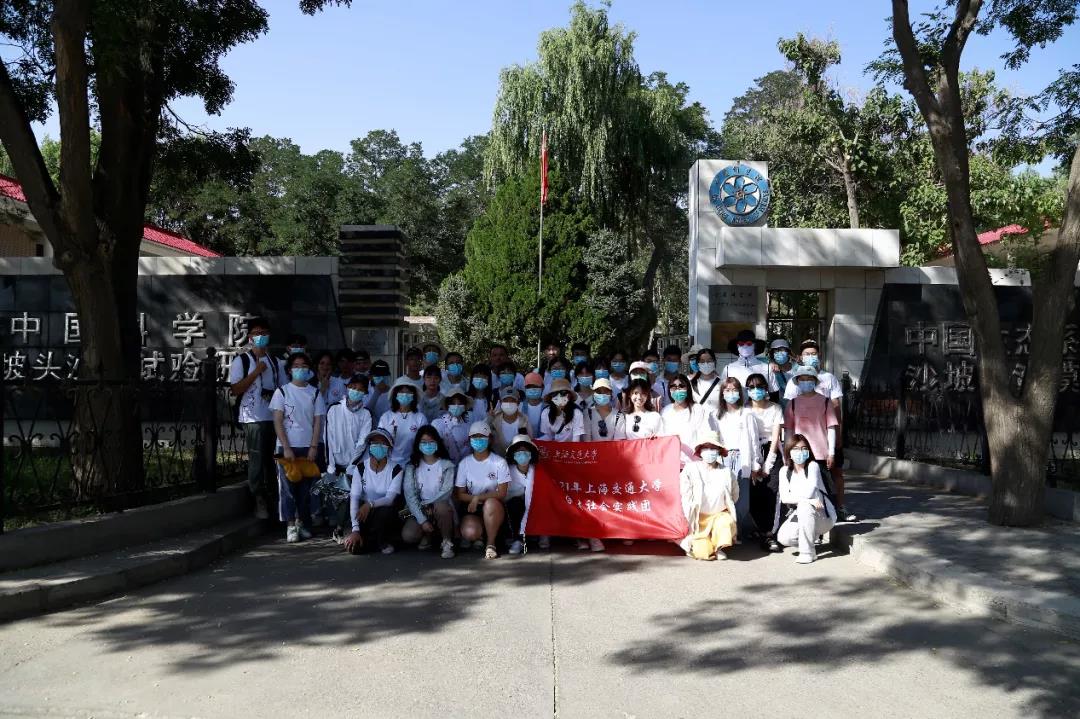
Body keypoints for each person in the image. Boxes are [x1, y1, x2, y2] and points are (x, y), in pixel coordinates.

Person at [781, 340, 854, 521]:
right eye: (802, 379)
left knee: (825, 485)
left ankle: (831, 515)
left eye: (809, 379)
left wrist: (832, 450)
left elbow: (832, 424)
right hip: (799, 451)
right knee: (801, 484)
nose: (805, 382)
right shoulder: (793, 403)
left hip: (821, 451)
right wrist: (787, 451)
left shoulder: (825, 399)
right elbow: (788, 429)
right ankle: (801, 517)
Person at [269, 352, 327, 543]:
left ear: (309, 370)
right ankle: (290, 525)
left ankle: (303, 522)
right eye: (296, 366)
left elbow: (318, 422)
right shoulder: (282, 392)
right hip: (286, 448)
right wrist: (286, 447)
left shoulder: (315, 393)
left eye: (304, 366)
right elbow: (278, 421)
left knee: (306, 490)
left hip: (307, 448)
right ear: (289, 370)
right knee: (287, 489)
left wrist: (313, 446)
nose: (300, 369)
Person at [228, 317, 280, 519]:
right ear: (250, 336)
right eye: (257, 333)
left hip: (272, 417)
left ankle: (274, 499)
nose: (261, 336)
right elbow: (235, 389)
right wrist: (256, 372)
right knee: (257, 459)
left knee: (272, 460)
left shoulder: (275, 362)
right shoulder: (241, 361)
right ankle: (258, 498)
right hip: (252, 417)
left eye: (264, 333)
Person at [771, 434, 836, 563]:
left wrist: (806, 500)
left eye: (804, 448)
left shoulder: (812, 466)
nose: (800, 452)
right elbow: (785, 498)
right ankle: (811, 537)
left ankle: (808, 552)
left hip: (823, 516)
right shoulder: (784, 471)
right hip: (803, 513)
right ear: (789, 452)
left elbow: (809, 492)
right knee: (784, 537)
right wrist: (809, 501)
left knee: (804, 506)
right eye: (795, 449)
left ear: (808, 451)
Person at [679, 431, 739, 560]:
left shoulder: (727, 472)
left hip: (718, 516)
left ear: (719, 451)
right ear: (700, 450)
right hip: (697, 519)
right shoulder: (690, 469)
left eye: (713, 448)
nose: (709, 451)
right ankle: (701, 543)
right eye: (706, 447)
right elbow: (685, 495)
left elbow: (734, 495)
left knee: (726, 521)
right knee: (702, 552)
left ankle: (719, 547)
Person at [454, 422, 510, 559]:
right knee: (470, 532)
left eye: (482, 437)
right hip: (472, 507)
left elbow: (502, 493)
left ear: (490, 439)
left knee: (490, 504)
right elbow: (459, 494)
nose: (478, 440)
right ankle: (480, 534)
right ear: (469, 440)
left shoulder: (499, 462)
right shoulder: (465, 463)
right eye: (475, 437)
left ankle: (490, 544)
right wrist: (474, 499)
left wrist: (477, 497)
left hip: (493, 506)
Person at [715, 377, 763, 538]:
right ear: (722, 393)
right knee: (724, 496)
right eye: (727, 390)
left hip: (742, 458)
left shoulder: (747, 413)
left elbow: (754, 441)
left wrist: (755, 463)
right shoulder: (716, 415)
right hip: (723, 457)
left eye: (734, 390)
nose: (731, 393)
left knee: (742, 501)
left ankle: (737, 530)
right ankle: (725, 533)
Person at [344, 428, 403, 555]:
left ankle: (382, 541)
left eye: (382, 443)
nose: (378, 447)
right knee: (355, 547)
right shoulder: (360, 468)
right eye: (375, 443)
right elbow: (354, 497)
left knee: (386, 511)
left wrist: (370, 504)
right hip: (363, 512)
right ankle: (361, 536)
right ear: (369, 446)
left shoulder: (396, 470)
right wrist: (355, 529)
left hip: (383, 512)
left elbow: (389, 499)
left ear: (389, 448)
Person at [401, 425, 456, 559]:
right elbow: (410, 496)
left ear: (437, 443)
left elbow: (446, 491)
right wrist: (422, 520)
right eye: (424, 442)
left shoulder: (447, 465)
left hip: (440, 506)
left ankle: (447, 542)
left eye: (431, 441)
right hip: (420, 508)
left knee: (442, 507)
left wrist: (429, 503)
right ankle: (429, 535)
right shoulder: (411, 467)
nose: (428, 445)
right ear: (418, 444)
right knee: (408, 536)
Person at [746, 372, 783, 546]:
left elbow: (775, 438)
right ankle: (758, 527)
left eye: (759, 386)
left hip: (771, 448)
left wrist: (768, 463)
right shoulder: (745, 409)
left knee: (772, 488)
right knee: (755, 490)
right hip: (751, 448)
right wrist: (754, 462)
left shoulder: (775, 408)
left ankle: (770, 532)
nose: (756, 390)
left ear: (766, 388)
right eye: (752, 387)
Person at [660, 374, 714, 465]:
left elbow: (704, 434)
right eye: (673, 387)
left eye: (681, 386)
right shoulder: (665, 411)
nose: (677, 390)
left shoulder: (697, 409)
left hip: (693, 462)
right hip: (671, 463)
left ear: (688, 388)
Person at [326, 374, 373, 475]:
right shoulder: (334, 408)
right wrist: (331, 465)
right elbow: (328, 438)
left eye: (360, 389)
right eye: (354, 387)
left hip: (356, 465)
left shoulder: (366, 414)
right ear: (348, 387)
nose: (356, 391)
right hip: (335, 464)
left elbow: (362, 442)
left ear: (365, 393)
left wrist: (352, 466)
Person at [505, 434, 538, 555]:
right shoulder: (508, 471)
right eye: (518, 451)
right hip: (516, 510)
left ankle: (540, 535)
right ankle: (517, 539)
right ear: (513, 455)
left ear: (531, 453)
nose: (522, 454)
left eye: (525, 450)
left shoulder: (538, 470)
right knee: (515, 503)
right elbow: (504, 495)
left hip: (536, 508)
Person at [377, 382, 425, 465]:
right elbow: (379, 440)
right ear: (395, 395)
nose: (405, 395)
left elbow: (423, 443)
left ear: (414, 395)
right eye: (401, 392)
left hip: (412, 464)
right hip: (388, 463)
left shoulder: (420, 418)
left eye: (408, 392)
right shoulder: (386, 416)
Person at [721, 329, 770, 402]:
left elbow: (773, 394)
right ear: (737, 346)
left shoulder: (767, 368)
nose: (745, 346)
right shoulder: (728, 368)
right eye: (741, 344)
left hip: (760, 408)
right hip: (736, 408)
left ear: (754, 346)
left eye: (749, 344)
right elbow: (723, 392)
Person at [539, 378, 586, 442]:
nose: (559, 397)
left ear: (569, 396)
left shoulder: (577, 413)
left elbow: (576, 440)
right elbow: (549, 436)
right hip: (555, 446)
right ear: (551, 397)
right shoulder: (545, 413)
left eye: (563, 393)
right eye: (555, 394)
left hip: (571, 446)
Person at [489, 387, 531, 455]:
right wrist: (489, 418)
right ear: (500, 402)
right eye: (505, 400)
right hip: (496, 459)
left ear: (518, 403)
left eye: (512, 400)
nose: (509, 403)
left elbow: (530, 442)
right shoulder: (493, 420)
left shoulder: (525, 420)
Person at [434, 388, 471, 462]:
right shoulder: (438, 424)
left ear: (464, 406)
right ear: (447, 405)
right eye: (453, 403)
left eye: (460, 404)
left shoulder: (467, 427)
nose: (456, 406)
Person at [690, 348, 723, 416]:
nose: (706, 363)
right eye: (702, 361)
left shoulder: (722, 383)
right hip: (698, 420)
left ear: (714, 362)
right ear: (698, 364)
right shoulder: (691, 383)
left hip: (717, 420)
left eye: (709, 360)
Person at [652, 344, 683, 411]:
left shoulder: (685, 382)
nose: (672, 362)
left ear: (679, 362)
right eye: (669, 359)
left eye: (675, 360)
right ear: (663, 360)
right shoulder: (656, 383)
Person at [767, 339, 795, 407]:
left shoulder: (797, 368)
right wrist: (770, 363)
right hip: (778, 408)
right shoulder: (771, 369)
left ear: (788, 352)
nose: (779, 353)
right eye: (776, 351)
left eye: (782, 350)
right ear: (772, 354)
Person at [522, 372, 546, 436]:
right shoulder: (519, 407)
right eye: (529, 387)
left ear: (543, 387)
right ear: (525, 388)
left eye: (535, 386)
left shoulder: (548, 407)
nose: (532, 389)